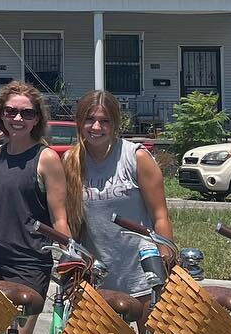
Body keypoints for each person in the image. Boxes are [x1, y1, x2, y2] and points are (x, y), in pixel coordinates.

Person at [0, 81, 71, 334]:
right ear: (0, 115)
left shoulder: (46, 158)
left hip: (30, 264)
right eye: (10, 112)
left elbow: (60, 217)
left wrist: (71, 262)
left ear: (37, 119)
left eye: (26, 113)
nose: (17, 119)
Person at [62, 89, 176, 299]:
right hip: (98, 276)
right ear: (79, 122)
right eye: (89, 120)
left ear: (115, 124)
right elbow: (70, 221)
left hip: (143, 274)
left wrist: (166, 263)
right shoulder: (72, 160)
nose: (96, 127)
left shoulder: (136, 157)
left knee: (150, 333)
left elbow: (160, 216)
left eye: (104, 121)